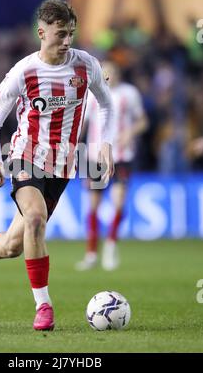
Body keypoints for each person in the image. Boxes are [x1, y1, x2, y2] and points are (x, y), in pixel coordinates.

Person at [0, 0, 115, 331]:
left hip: (62, 166)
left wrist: (105, 146)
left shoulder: (86, 66)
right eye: (60, 34)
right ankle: (43, 306)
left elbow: (106, 104)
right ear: (41, 32)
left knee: (13, 245)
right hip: (25, 157)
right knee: (36, 217)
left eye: (71, 33)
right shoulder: (24, 71)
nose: (67, 41)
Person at [76, 61, 148, 271]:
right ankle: (91, 253)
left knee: (118, 202)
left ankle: (110, 246)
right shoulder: (90, 94)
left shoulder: (129, 93)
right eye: (105, 72)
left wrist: (130, 133)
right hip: (94, 157)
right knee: (93, 205)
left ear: (118, 73)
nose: (109, 75)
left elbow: (143, 121)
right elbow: (82, 123)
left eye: (113, 71)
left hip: (121, 155)